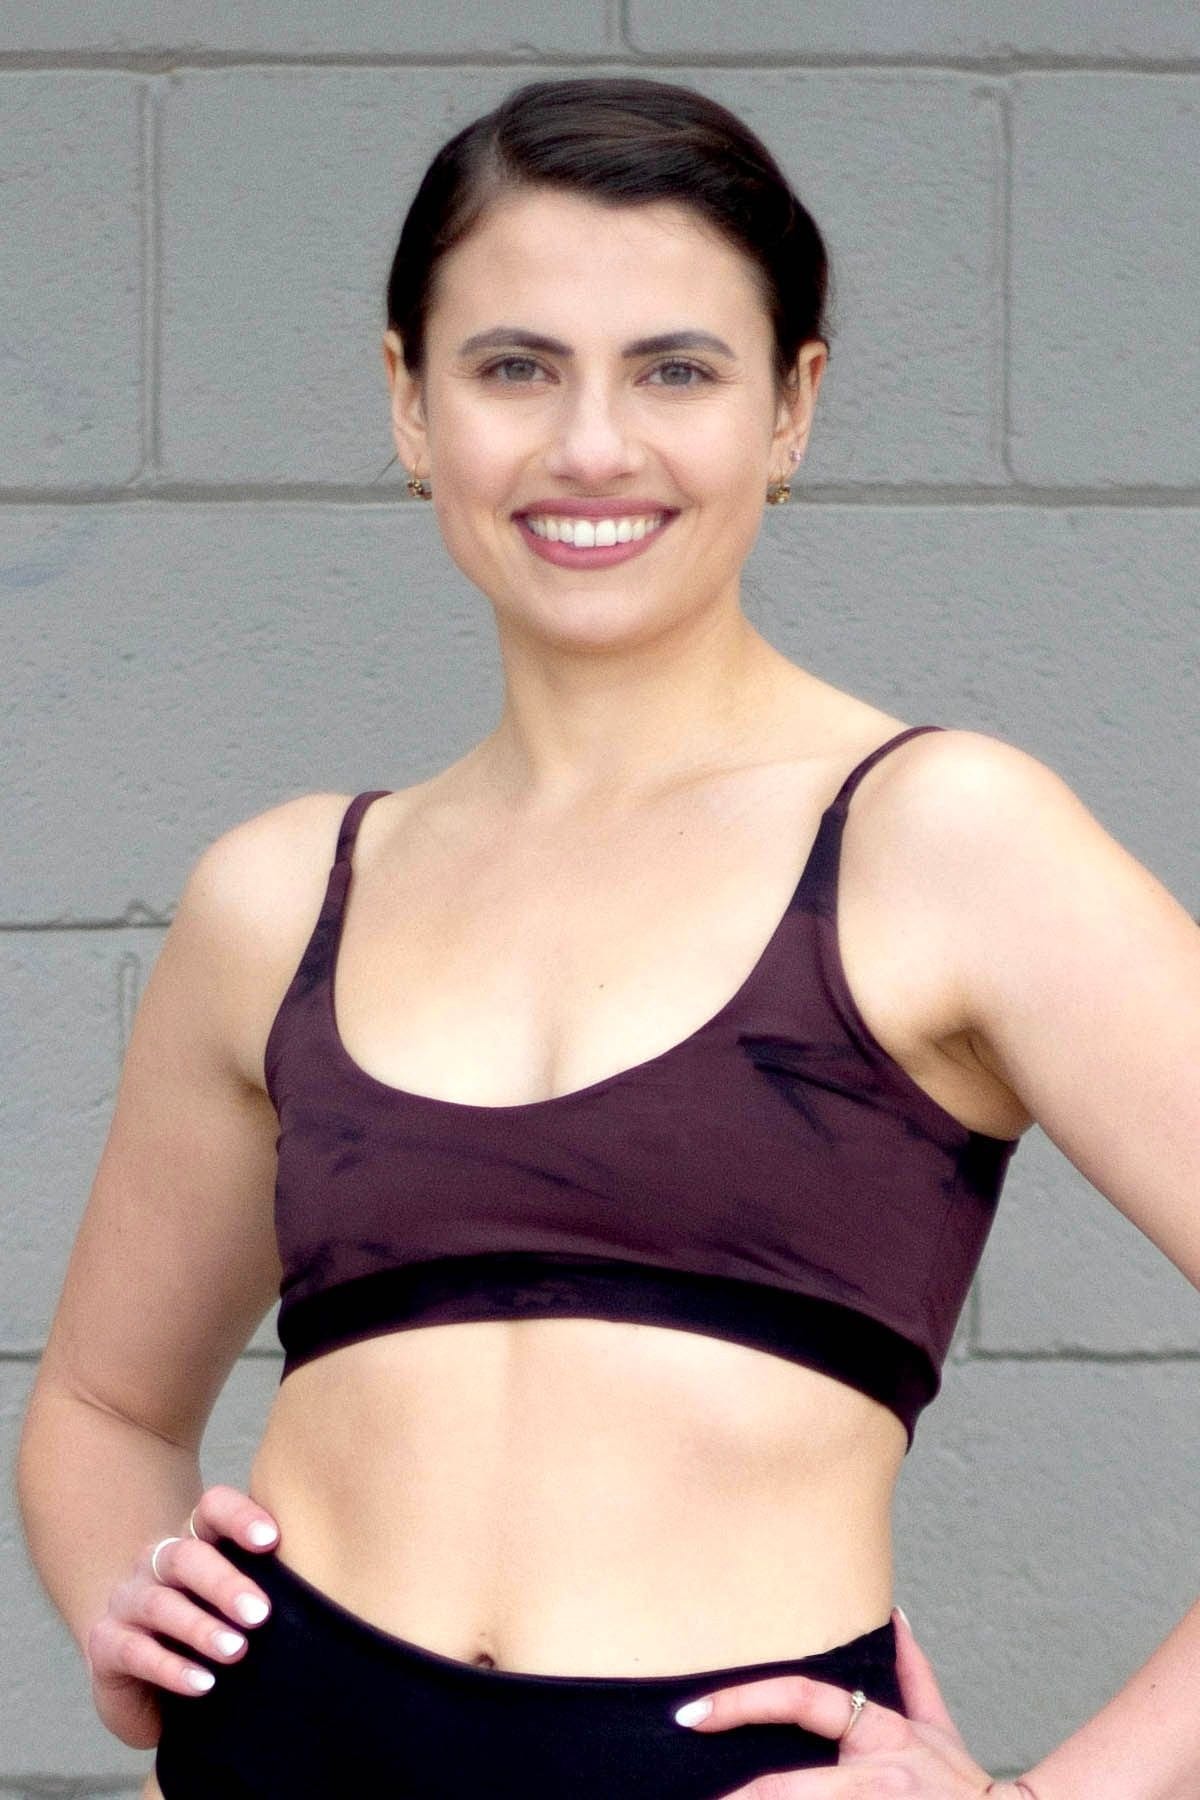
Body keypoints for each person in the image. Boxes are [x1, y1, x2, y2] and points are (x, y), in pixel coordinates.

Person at [16, 74, 1199, 1800]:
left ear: (791, 409)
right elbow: (101, 1412)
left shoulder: (946, 842)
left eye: (676, 369)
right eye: (514, 367)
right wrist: (126, 1592)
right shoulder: (280, 898)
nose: (590, 447)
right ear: (410, 404)